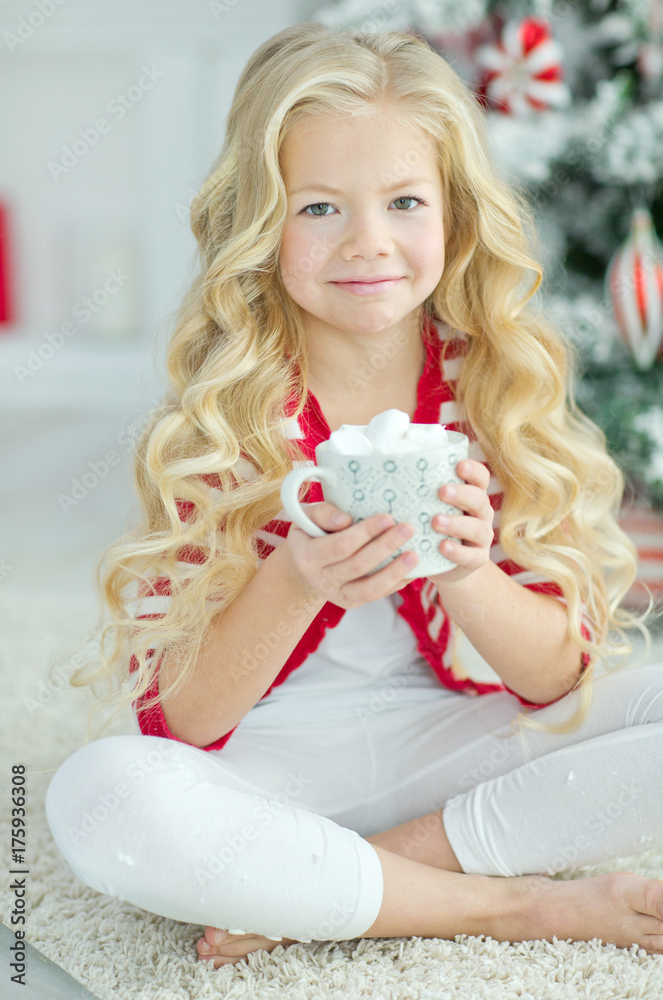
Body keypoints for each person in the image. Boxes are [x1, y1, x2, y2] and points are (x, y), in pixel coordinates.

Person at [45, 23, 663, 967]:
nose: (367, 244)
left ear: (452, 217)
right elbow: (187, 720)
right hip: (276, 772)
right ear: (261, 223)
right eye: (320, 209)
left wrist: (467, 572)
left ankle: (358, 878)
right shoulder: (231, 412)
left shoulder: (491, 384)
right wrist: (295, 581)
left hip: (457, 750)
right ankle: (510, 911)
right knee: (100, 797)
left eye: (405, 202)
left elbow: (554, 680)